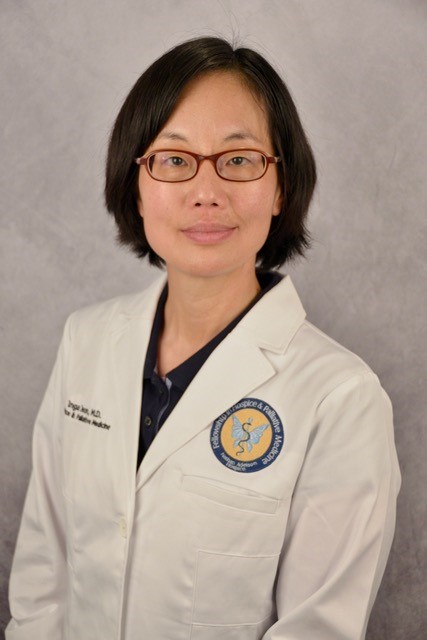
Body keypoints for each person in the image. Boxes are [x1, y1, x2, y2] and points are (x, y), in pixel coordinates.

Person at [6, 37, 400, 640]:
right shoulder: (85, 340)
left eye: (239, 159)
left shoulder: (341, 399)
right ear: (136, 185)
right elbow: (43, 581)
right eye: (174, 159)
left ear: (281, 188)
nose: (207, 191)